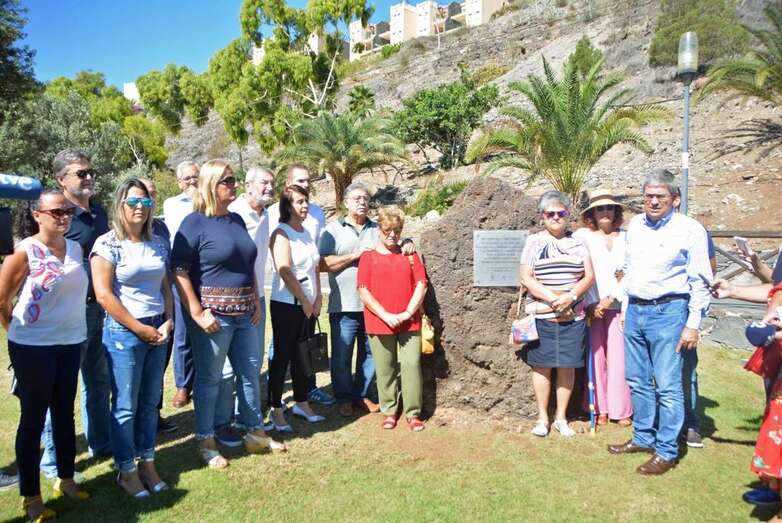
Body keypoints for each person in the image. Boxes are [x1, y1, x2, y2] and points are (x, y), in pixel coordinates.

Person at [172, 159, 284, 468]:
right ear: (210, 185)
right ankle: (206, 441)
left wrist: (257, 301)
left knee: (249, 373)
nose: (233, 186)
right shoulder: (193, 223)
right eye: (228, 181)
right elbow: (179, 271)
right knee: (209, 380)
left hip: (247, 313)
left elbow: (248, 263)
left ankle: (255, 432)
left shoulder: (235, 220)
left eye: (234, 180)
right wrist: (196, 311)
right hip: (214, 318)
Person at [607, 169, 712, 476]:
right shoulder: (636, 226)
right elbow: (628, 271)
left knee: (667, 386)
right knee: (638, 380)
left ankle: (666, 450)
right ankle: (643, 437)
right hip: (637, 310)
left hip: (670, 312)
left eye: (660, 197)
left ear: (675, 199)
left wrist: (693, 323)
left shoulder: (690, 229)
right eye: (648, 196)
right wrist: (625, 306)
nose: (653, 202)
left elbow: (701, 280)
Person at [0, 190, 91, 522]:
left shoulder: (76, 248)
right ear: (37, 215)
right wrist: (18, 334)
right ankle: (31, 498)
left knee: (64, 415)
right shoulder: (25, 251)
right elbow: (1, 299)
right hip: (33, 348)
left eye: (67, 211)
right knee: (33, 421)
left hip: (70, 342)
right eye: (56, 212)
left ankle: (65, 480)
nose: (64, 216)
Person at [91, 179, 174, 497]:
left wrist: (168, 321)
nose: (140, 207)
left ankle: (148, 464)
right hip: (125, 332)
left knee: (150, 403)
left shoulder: (158, 242)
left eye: (145, 202)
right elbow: (103, 295)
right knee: (125, 405)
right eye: (132, 202)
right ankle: (126, 470)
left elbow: (166, 287)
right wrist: (139, 329)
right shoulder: (107, 244)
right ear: (119, 205)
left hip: (157, 328)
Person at [41, 149, 112, 482]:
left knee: (98, 381)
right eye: (80, 173)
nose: (88, 177)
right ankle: (53, 462)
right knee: (61, 388)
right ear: (61, 180)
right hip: (66, 312)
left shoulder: (99, 212)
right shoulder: (56, 215)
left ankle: (101, 443)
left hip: (99, 310)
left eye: (89, 171)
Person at [519, 191, 595, 438]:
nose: (555, 217)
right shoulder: (534, 242)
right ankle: (543, 418)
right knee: (541, 367)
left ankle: (561, 418)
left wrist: (570, 297)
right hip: (543, 315)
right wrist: (554, 299)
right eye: (550, 213)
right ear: (543, 216)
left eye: (560, 213)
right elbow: (525, 277)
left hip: (573, 316)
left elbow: (589, 276)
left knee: (567, 367)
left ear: (567, 215)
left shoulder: (579, 242)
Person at [711, 252, 782, 507]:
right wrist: (733, 291)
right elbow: (775, 289)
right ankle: (774, 486)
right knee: (775, 424)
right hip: (776, 348)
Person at [267, 164, 334, 406]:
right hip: (287, 304)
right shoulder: (281, 233)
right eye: (299, 202)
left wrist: (317, 298)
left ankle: (302, 403)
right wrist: (305, 301)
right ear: (288, 207)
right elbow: (285, 271)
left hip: (307, 305)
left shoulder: (306, 232)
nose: (305, 206)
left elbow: (315, 266)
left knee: (302, 356)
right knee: (283, 356)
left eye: (306, 202)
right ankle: (275, 407)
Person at [357, 206, 428, 431]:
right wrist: (386, 315)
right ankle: (389, 410)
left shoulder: (410, 255)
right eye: (388, 229)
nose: (392, 235)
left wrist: (408, 313)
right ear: (379, 228)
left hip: (410, 321)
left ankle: (413, 413)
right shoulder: (368, 257)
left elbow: (421, 284)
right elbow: (363, 289)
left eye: (397, 230)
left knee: (411, 365)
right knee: (385, 368)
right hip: (379, 321)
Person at [320, 182, 380, 417]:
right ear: (346, 203)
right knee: (342, 355)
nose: (362, 202)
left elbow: (395, 243)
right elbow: (323, 264)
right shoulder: (333, 230)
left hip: (373, 305)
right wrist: (356, 255)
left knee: (370, 353)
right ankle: (344, 398)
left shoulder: (377, 229)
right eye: (357, 198)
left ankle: (362, 395)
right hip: (343, 305)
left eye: (365, 198)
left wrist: (407, 243)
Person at [574, 189, 632, 427]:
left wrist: (611, 297)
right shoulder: (583, 236)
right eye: (600, 209)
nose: (605, 213)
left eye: (609, 208)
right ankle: (599, 407)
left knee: (619, 358)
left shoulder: (627, 238)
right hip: (592, 307)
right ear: (592, 214)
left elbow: (630, 271)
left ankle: (622, 409)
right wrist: (590, 303)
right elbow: (579, 269)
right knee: (595, 357)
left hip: (620, 306)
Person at [228, 166, 275, 423]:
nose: (269, 187)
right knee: (227, 368)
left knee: (252, 362)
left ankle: (245, 415)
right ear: (248, 185)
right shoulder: (234, 213)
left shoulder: (267, 214)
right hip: (233, 297)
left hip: (256, 297)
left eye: (271, 183)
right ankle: (225, 420)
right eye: (263, 183)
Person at [138, 177, 177, 434]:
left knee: (158, 368)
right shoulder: (122, 231)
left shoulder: (161, 228)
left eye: (152, 194)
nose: (149, 199)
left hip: (163, 307)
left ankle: (154, 414)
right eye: (144, 194)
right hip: (137, 313)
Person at [163, 161, 199, 408]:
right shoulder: (171, 205)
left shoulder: (208, 200)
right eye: (187, 178)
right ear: (179, 182)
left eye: (195, 177)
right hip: (181, 272)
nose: (192, 182)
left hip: (207, 272)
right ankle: (183, 385)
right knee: (183, 333)